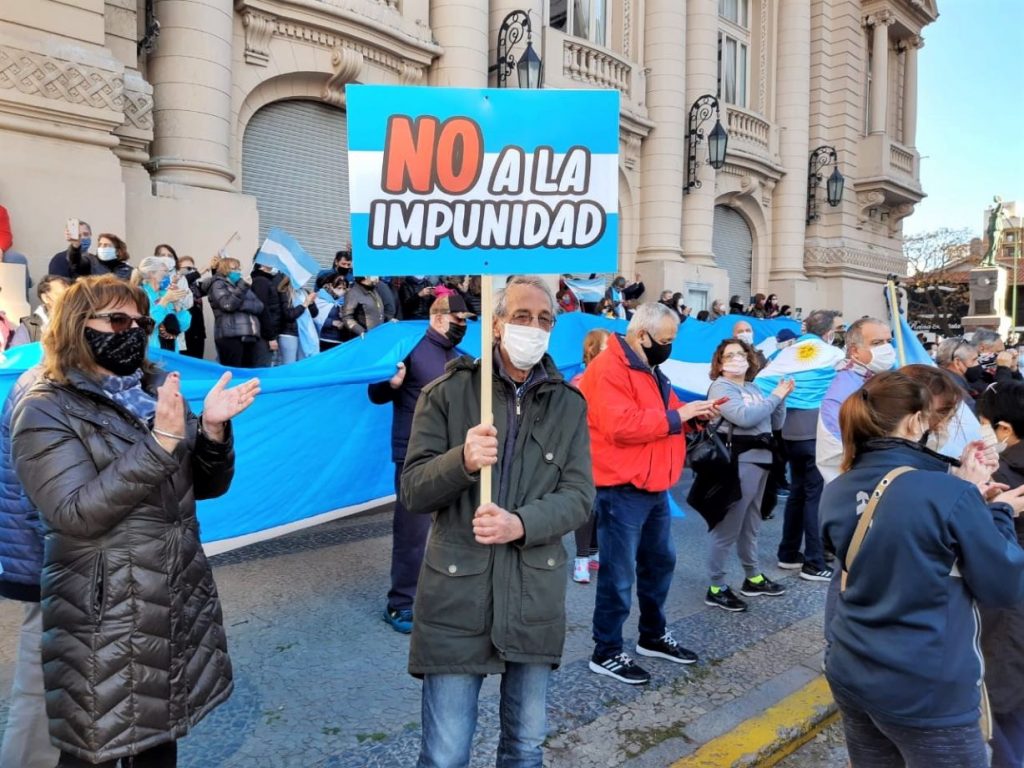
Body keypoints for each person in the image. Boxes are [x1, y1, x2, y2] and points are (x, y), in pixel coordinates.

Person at [11, 275, 261, 767]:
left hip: (169, 594)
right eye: (117, 320)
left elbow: (204, 485)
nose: (132, 331)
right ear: (76, 326)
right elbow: (75, 513)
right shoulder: (45, 407)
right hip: (103, 608)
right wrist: (161, 443)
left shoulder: (155, 389)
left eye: (141, 322)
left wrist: (211, 430)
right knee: (96, 745)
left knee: (158, 738)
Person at [400, 275, 593, 768]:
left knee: (526, 750)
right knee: (445, 756)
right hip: (456, 597)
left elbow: (579, 498)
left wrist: (521, 523)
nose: (534, 327)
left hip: (533, 597)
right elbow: (415, 490)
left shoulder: (568, 404)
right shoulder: (447, 392)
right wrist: (461, 460)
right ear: (497, 323)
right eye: (522, 316)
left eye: (544, 319)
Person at [820, 370, 1024, 768]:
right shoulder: (948, 493)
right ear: (916, 421)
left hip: (851, 669)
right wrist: (998, 512)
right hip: (926, 688)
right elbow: (1004, 584)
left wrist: (962, 490)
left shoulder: (838, 487)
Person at [581, 303, 719, 685]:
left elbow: (665, 411)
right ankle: (606, 650)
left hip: (654, 485)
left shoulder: (649, 368)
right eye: (666, 340)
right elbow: (620, 426)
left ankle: (652, 636)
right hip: (622, 488)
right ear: (641, 335)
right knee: (619, 575)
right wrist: (680, 416)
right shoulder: (608, 369)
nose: (669, 347)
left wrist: (692, 417)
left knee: (658, 567)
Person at [368, 294, 473, 635]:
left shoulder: (461, 357)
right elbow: (376, 392)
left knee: (451, 527)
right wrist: (391, 384)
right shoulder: (410, 349)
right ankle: (400, 604)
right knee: (412, 532)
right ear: (439, 317)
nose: (464, 325)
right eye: (460, 318)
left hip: (451, 455)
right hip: (414, 456)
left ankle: (438, 594)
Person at [704, 339, 793, 612]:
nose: (737, 359)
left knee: (751, 523)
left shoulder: (753, 387)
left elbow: (774, 422)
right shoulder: (721, 387)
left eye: (741, 354)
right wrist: (775, 397)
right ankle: (716, 586)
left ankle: (752, 576)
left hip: (761, 459)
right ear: (719, 363)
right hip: (738, 462)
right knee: (728, 525)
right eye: (729, 355)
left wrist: (780, 399)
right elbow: (744, 417)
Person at [0, 364, 53, 768]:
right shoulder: (41, 387)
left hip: (58, 560)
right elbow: (35, 497)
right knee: (40, 685)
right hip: (48, 564)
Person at [774, 309, 842, 582]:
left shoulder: (786, 353)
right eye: (836, 329)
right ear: (828, 332)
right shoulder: (831, 354)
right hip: (816, 433)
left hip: (789, 433)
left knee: (798, 493)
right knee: (815, 497)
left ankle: (788, 553)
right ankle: (814, 561)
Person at [977, 382, 1024, 768]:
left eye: (984, 423)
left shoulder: (1003, 479)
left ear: (1003, 428)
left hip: (1009, 615)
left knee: (1006, 718)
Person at [815, 318, 894, 485]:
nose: (887, 348)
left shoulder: (883, 380)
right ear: (855, 351)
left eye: (889, 341)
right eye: (877, 343)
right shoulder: (842, 392)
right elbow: (835, 454)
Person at [569, 327, 610, 584]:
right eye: (606, 345)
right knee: (588, 507)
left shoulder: (614, 378)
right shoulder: (580, 380)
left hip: (609, 452)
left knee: (602, 506)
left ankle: (593, 553)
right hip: (587, 451)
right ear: (593, 349)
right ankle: (581, 559)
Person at [207, 257, 264, 368]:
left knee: (247, 374)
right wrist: (242, 289)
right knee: (233, 372)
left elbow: (259, 306)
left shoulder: (241, 285)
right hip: (230, 337)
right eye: (234, 268)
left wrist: (241, 304)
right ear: (224, 270)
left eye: (239, 268)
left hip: (248, 336)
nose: (238, 271)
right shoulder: (218, 284)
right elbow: (227, 305)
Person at [134, 256, 191, 352]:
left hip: (171, 353)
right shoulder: (140, 294)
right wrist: (164, 301)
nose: (168, 275)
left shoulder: (165, 293)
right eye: (165, 271)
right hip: (151, 353)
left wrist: (177, 305)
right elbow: (146, 327)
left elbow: (183, 326)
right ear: (152, 273)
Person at [10, 275, 69, 348]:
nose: (66, 300)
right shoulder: (30, 327)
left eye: (69, 295)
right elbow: (18, 355)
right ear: (45, 298)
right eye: (61, 295)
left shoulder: (77, 324)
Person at [274, 274, 318, 364]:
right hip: (289, 333)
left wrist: (312, 303)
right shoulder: (284, 292)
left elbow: (314, 314)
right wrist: (305, 304)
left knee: (303, 364)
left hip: (305, 333)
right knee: (288, 364)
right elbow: (289, 315)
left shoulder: (305, 292)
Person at [248, 262, 283, 366]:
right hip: (263, 336)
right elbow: (263, 309)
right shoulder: (261, 281)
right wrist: (270, 337)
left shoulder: (264, 280)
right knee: (262, 368)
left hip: (263, 334)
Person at [936, 337, 980, 413]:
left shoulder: (937, 379)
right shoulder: (956, 391)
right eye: (974, 360)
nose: (978, 364)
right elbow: (975, 419)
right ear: (957, 362)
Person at [177, 256, 207, 359]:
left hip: (198, 332)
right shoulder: (177, 283)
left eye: (193, 269)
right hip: (184, 333)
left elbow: (214, 284)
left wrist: (214, 268)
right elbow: (184, 280)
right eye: (188, 268)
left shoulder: (196, 286)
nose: (191, 271)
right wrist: (198, 273)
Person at [313, 275, 347, 352]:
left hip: (340, 340)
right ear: (331, 286)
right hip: (324, 339)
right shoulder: (321, 298)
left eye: (344, 288)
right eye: (339, 288)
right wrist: (332, 322)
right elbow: (315, 317)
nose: (342, 291)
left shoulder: (346, 300)